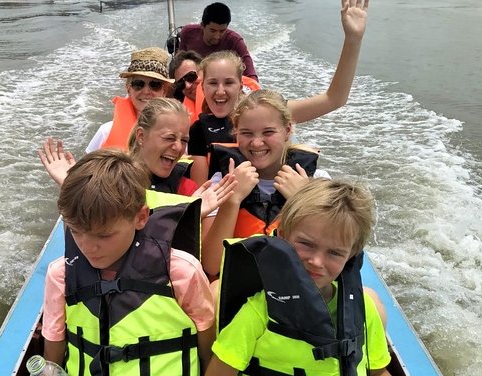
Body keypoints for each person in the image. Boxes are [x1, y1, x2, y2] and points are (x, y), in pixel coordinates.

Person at [0, 151, 217, 376]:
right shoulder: (61, 275)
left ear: (140, 217)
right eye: (77, 232)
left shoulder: (180, 272)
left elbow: (208, 357)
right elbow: (50, 369)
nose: (88, 247)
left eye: (104, 235)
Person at [202, 179, 454, 376]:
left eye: (334, 252)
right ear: (284, 235)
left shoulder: (362, 308)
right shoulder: (259, 312)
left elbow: (376, 373)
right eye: (306, 244)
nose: (317, 261)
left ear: (352, 255)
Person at [188, 0, 371, 187]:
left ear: (240, 85)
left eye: (229, 82)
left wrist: (353, 39)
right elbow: (201, 193)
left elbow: (334, 99)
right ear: (203, 88)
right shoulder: (199, 130)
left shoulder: (269, 108)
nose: (220, 91)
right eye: (212, 83)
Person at [38, 98, 237, 218]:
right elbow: (93, 227)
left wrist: (197, 213)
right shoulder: (108, 176)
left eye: (184, 140)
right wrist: (70, 185)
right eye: (169, 138)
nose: (178, 147)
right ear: (141, 136)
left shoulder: (188, 190)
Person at [200, 90, 326, 276]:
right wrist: (232, 200)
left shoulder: (316, 183)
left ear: (287, 130)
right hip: (239, 291)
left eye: (268, 132)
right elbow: (211, 265)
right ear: (236, 133)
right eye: (247, 133)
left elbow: (324, 258)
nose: (257, 143)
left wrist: (303, 203)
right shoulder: (221, 182)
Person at [85, 47, 173, 153]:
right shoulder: (105, 132)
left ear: (164, 90)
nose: (146, 91)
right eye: (138, 84)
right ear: (128, 88)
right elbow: (85, 168)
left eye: (155, 85)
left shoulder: (178, 135)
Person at [178, 2, 258, 82]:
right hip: (195, 79)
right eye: (212, 31)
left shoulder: (235, 41)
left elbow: (251, 75)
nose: (217, 36)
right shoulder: (187, 33)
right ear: (202, 26)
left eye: (222, 31)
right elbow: (179, 62)